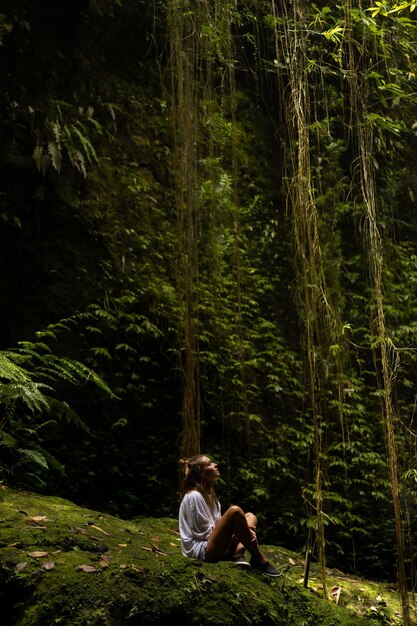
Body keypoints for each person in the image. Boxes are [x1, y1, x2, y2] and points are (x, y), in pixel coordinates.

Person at [178, 454, 280, 576]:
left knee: (250, 516)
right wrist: (238, 533)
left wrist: (239, 532)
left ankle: (238, 554)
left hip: (217, 546)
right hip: (201, 551)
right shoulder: (194, 496)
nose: (215, 465)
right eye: (209, 464)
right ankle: (258, 558)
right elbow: (205, 535)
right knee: (234, 511)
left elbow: (218, 527)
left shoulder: (211, 496)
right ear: (201, 473)